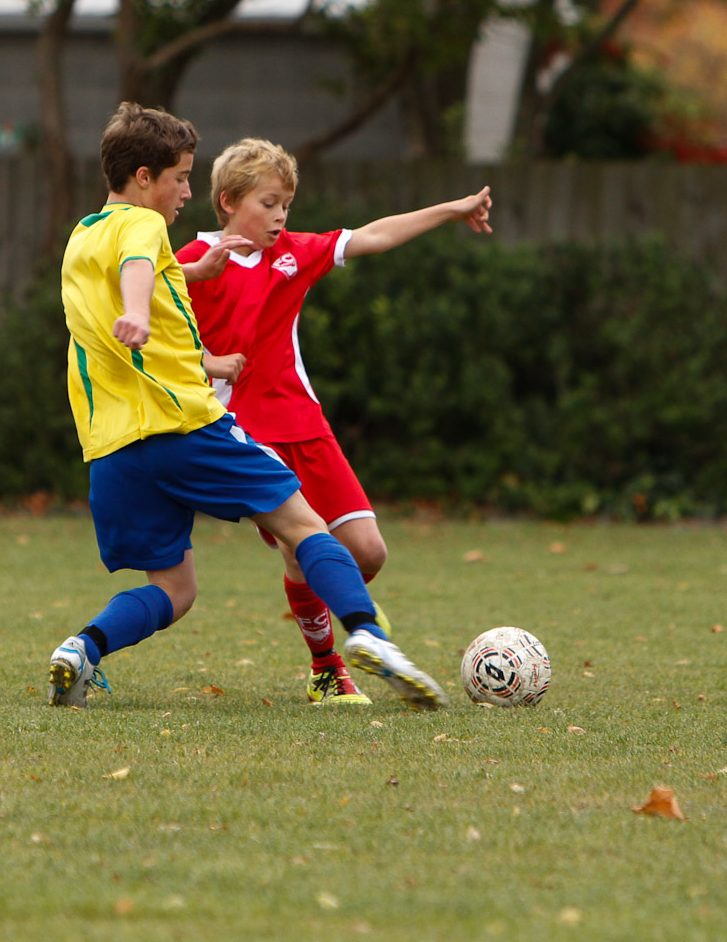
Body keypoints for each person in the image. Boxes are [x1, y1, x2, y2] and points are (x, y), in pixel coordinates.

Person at [48, 102, 448, 712]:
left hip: (113, 448)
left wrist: (190, 292)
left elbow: (136, 302)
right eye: (181, 177)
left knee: (175, 589)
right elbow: (137, 269)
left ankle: (82, 648)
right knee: (304, 526)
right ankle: (367, 633)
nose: (188, 191)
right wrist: (138, 308)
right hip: (184, 429)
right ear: (144, 178)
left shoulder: (81, 238)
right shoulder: (143, 227)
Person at [176, 138, 492, 706]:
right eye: (269, 203)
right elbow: (159, 342)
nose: (280, 216)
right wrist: (209, 362)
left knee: (368, 553)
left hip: (305, 422)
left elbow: (373, 235)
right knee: (302, 544)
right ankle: (327, 667)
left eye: (286, 205)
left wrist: (453, 209)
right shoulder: (193, 263)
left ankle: (343, 609)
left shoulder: (293, 253)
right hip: (244, 433)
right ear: (228, 202)